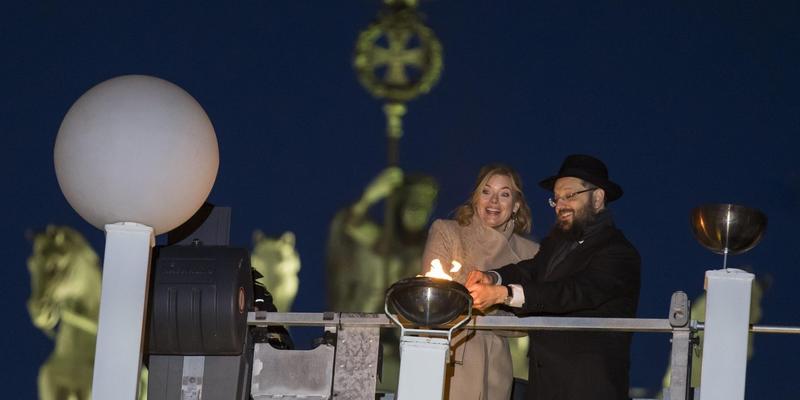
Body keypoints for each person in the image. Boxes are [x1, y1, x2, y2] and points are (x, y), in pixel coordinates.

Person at [466, 154, 641, 400]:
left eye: (570, 195)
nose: (560, 205)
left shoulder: (619, 252)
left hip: (588, 391)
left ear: (598, 197)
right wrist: (492, 277)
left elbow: (571, 292)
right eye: (556, 198)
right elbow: (530, 270)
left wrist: (505, 295)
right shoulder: (556, 244)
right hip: (543, 388)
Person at [422, 164, 540, 400]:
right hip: (446, 354)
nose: (493, 201)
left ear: (516, 204)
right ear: (476, 198)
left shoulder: (531, 252)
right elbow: (434, 300)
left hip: (497, 364)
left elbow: (531, 317)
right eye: (486, 192)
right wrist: (499, 301)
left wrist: (493, 298)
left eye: (504, 194)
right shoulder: (447, 232)